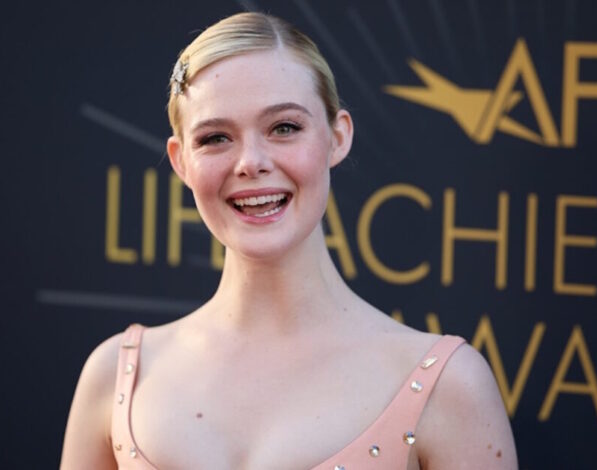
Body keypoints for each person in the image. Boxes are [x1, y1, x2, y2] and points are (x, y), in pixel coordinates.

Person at [61, 11, 517, 469]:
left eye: (284, 128)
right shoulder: (117, 375)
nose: (251, 162)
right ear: (181, 161)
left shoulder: (448, 385)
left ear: (337, 137)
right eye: (216, 137)